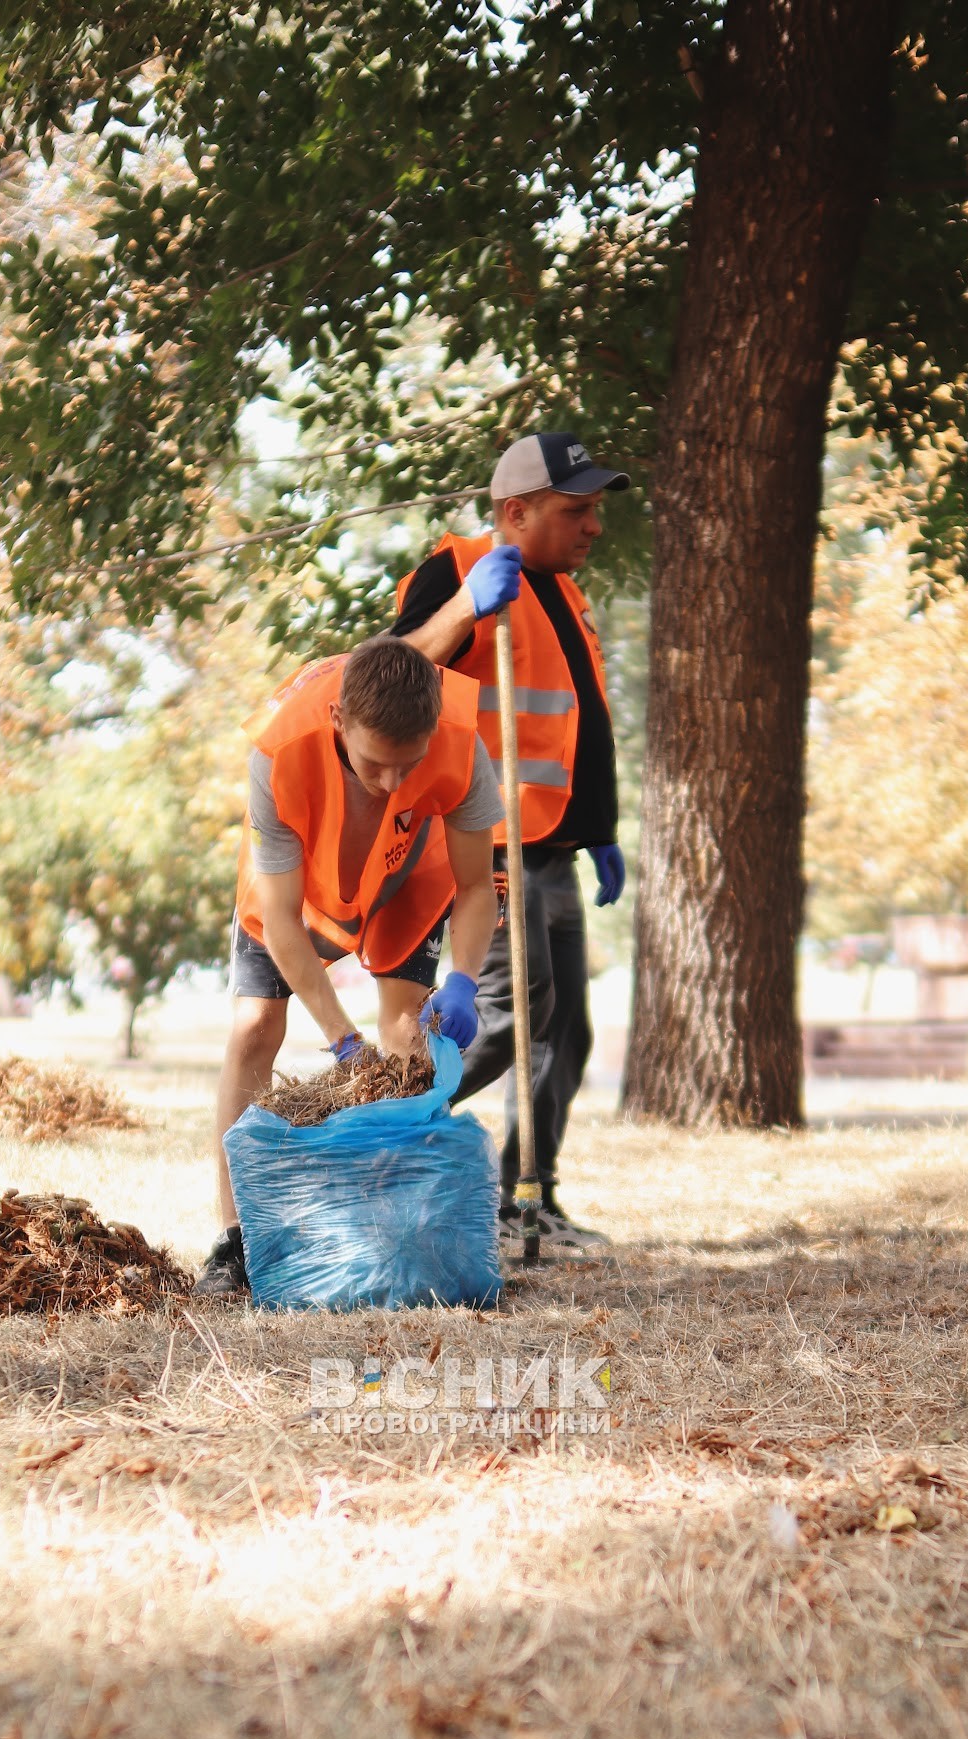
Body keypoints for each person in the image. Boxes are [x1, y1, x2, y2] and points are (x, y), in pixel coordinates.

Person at [195, 636, 501, 1297]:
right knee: (253, 1026)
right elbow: (280, 919)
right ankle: (235, 1238)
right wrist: (341, 1040)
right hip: (302, 888)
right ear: (338, 720)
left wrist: (464, 981)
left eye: (408, 765)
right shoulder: (278, 752)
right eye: (375, 764)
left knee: (406, 1038)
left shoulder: (461, 742)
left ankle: (392, 1227)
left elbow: (477, 886)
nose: (392, 782)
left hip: (410, 875)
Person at [394, 430, 630, 1252]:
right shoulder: (456, 571)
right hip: (482, 846)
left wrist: (600, 829)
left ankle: (527, 1199)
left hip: (553, 847)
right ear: (515, 511)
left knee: (566, 1031)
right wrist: (464, 609)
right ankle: (380, 1130)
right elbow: (388, 680)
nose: (594, 526)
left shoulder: (567, 596)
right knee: (509, 1018)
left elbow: (577, 724)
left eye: (596, 509)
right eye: (577, 510)